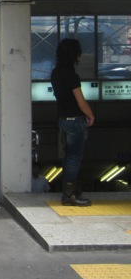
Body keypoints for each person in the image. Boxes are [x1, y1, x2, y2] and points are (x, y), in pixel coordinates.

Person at [50, 38, 95, 206]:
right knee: (74, 158)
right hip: (75, 120)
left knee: (68, 156)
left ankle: (68, 192)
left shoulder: (55, 73)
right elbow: (81, 102)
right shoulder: (71, 75)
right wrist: (91, 115)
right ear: (75, 55)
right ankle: (70, 195)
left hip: (63, 120)